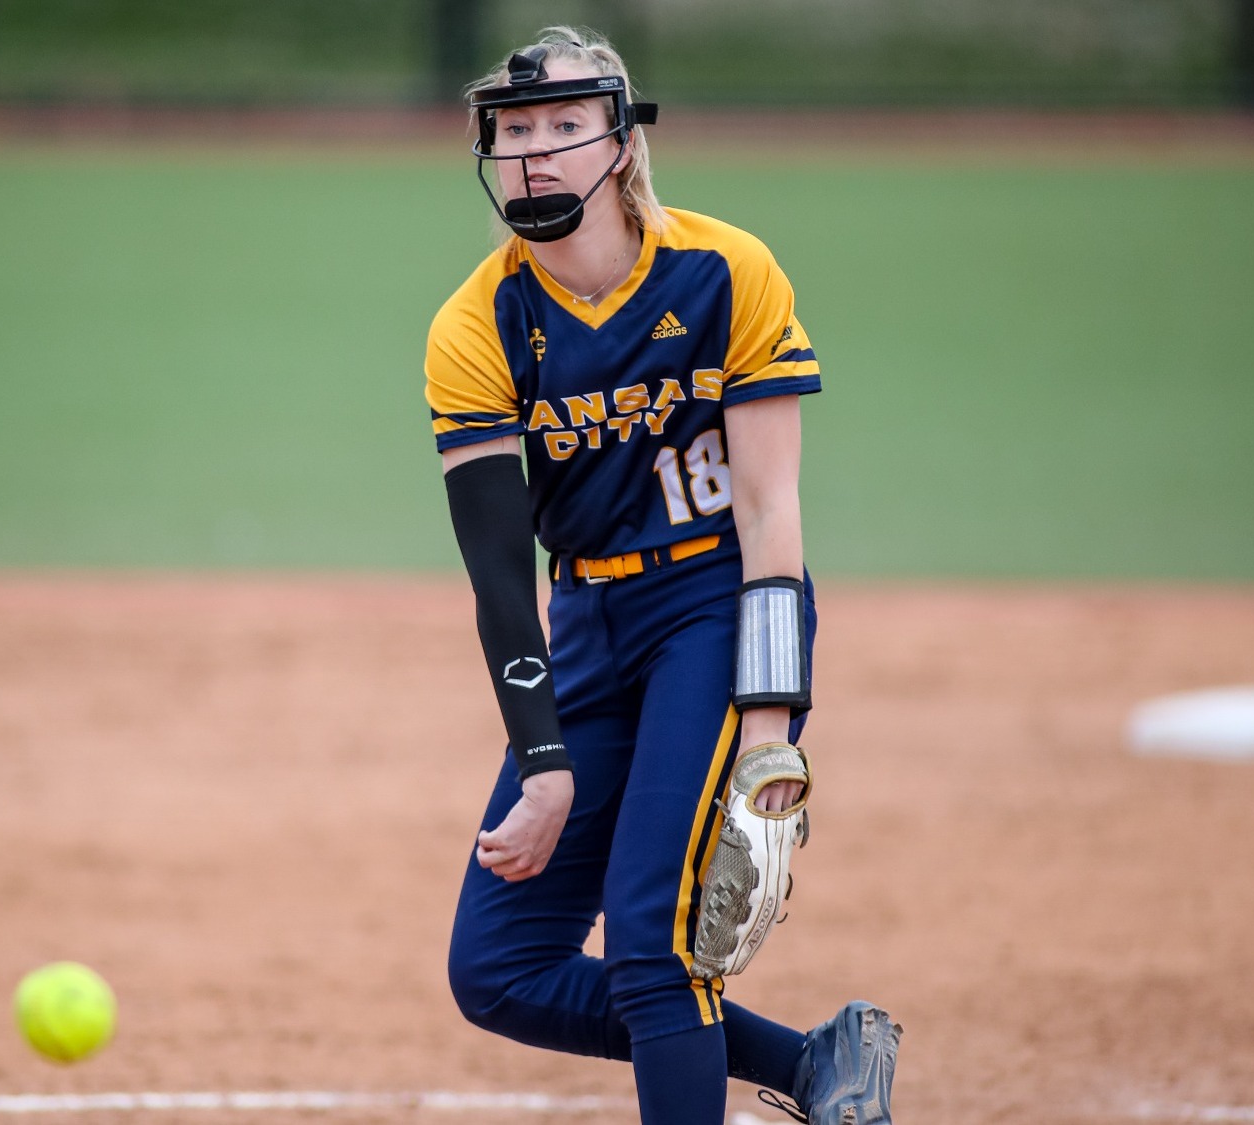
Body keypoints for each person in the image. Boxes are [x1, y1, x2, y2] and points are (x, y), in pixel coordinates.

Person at [423, 28, 902, 1125]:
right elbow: (500, 575)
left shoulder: (725, 270)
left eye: (562, 127)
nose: (534, 154)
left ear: (619, 144)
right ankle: (813, 1064)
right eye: (513, 132)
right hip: (583, 616)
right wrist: (541, 762)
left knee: (651, 940)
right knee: (496, 969)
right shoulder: (476, 324)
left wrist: (771, 730)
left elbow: (771, 510)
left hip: (708, 609)